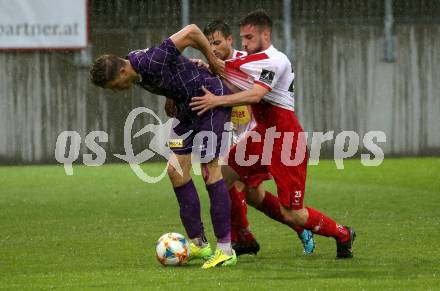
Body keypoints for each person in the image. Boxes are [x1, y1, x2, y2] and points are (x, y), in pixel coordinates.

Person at [190, 10, 356, 259]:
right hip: (261, 136)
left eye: (249, 37)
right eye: (242, 38)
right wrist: (210, 69)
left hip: (286, 139)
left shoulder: (275, 60)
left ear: (265, 34)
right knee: (218, 179)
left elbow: (255, 95)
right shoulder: (254, 59)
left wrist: (216, 100)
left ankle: (342, 233)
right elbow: (236, 81)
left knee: (293, 212)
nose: (244, 43)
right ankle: (239, 240)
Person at [89, 25, 238, 268]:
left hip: (208, 99)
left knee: (210, 171)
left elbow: (191, 32)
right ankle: (199, 245)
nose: (117, 90)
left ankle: (225, 249)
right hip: (186, 108)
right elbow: (173, 67)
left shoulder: (149, 61)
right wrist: (171, 93)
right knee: (175, 171)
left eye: (116, 84)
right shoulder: (136, 69)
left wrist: (212, 61)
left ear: (123, 69)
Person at [202, 19, 315, 256]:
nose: (213, 49)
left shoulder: (249, 63)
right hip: (240, 141)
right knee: (247, 192)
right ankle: (248, 238)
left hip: (262, 139)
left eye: (217, 42)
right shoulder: (215, 68)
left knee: (233, 184)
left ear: (230, 40)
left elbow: (255, 97)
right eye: (209, 45)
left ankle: (248, 237)